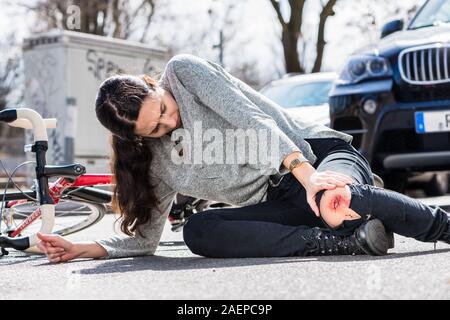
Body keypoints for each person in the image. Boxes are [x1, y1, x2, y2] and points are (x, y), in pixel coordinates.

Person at [36, 54, 450, 263]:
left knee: (335, 197)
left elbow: (250, 119)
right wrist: (85, 247)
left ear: (153, 85)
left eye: (162, 108)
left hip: (314, 156)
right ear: (138, 140)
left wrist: (308, 178)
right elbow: (145, 239)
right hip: (279, 200)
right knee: (198, 231)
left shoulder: (184, 73)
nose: (169, 121)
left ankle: (439, 226)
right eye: (156, 129)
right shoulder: (156, 162)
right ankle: (339, 240)